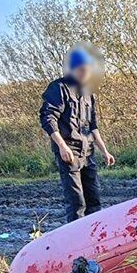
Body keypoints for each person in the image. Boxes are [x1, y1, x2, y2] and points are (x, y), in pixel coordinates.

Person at [39, 47, 115, 222]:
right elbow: (48, 118)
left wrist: (104, 151)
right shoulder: (58, 88)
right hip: (69, 153)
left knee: (94, 200)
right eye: (83, 69)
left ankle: (95, 235)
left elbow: (93, 126)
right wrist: (62, 146)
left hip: (88, 152)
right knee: (77, 203)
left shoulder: (88, 93)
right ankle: (76, 237)